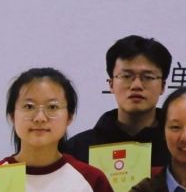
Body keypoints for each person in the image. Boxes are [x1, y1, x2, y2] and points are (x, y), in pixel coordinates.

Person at [59, 35, 173, 169]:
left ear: (162, 86)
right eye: (126, 76)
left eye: (148, 77)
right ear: (111, 84)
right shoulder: (77, 149)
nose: (136, 85)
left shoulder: (177, 147)